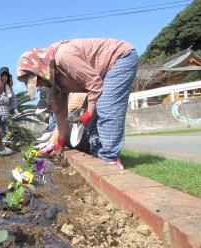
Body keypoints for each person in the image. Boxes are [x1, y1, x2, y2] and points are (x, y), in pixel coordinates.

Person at [17, 38, 139, 169]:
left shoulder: (63, 57)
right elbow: (61, 113)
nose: (39, 85)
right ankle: (97, 152)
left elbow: (93, 83)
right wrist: (60, 142)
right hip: (99, 74)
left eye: (37, 80)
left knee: (105, 108)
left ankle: (110, 160)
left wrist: (90, 111)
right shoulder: (54, 82)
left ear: (40, 69)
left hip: (119, 58)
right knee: (92, 118)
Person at [0, 67, 18, 138]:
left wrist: (15, 111)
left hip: (6, 114)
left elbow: (13, 100)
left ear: (8, 77)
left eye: (6, 76)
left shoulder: (9, 88)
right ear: (0, 76)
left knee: (5, 132)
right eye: (3, 75)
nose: (4, 77)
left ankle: (5, 144)